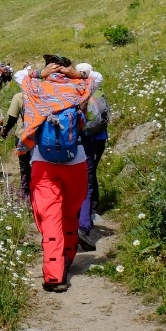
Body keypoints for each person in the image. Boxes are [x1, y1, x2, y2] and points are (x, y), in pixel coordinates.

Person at [16, 55, 98, 293]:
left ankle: (54, 274)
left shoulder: (37, 89)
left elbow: (19, 76)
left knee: (51, 218)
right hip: (77, 162)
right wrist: (76, 74)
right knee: (70, 213)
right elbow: (97, 77)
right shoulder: (79, 89)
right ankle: (68, 256)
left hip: (44, 163)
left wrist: (39, 73)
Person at [76, 63, 109, 252]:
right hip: (94, 139)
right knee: (88, 182)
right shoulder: (94, 89)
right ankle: (85, 223)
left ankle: (69, 225)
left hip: (72, 143)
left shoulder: (66, 91)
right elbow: (98, 76)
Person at [1, 90, 30, 198]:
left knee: (24, 165)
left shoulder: (19, 97)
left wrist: (5, 130)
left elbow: (12, 118)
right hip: (39, 136)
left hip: (22, 135)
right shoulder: (42, 94)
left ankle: (25, 190)